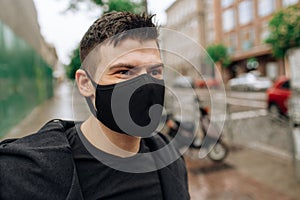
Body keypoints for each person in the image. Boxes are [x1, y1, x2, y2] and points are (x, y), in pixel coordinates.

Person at [0, 12, 190, 200]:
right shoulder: (24, 172)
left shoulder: (170, 159)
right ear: (85, 83)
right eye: (124, 71)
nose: (145, 84)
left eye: (155, 71)